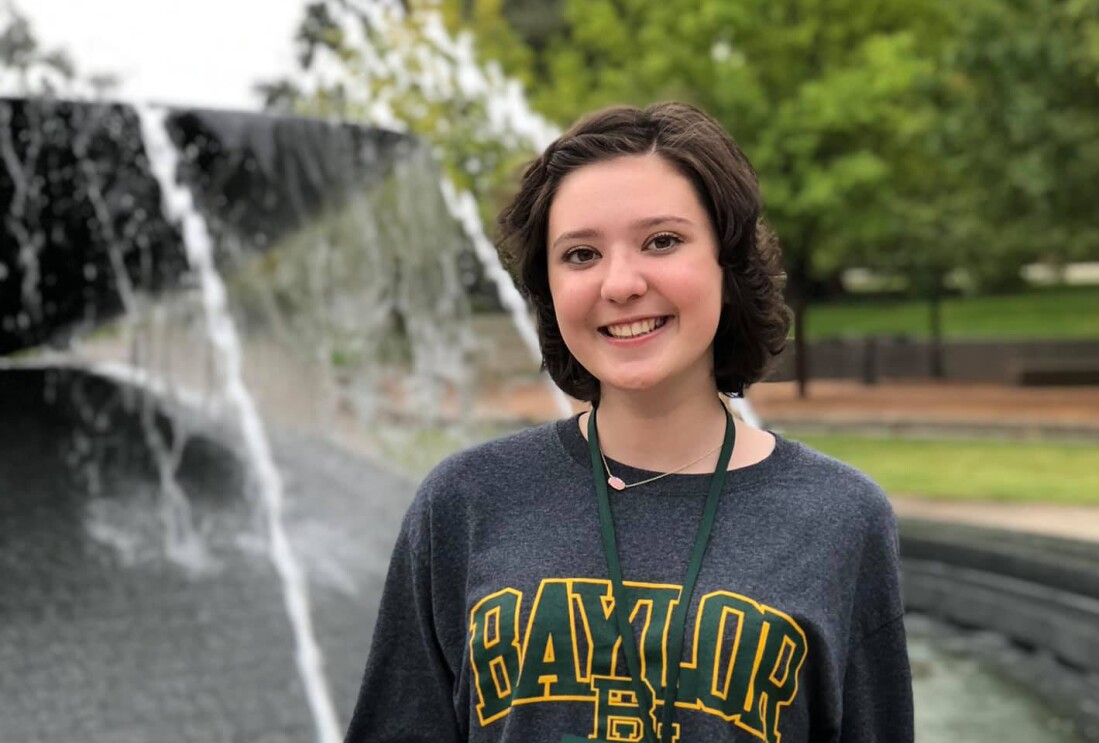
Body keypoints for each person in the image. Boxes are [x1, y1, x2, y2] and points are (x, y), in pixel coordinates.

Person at [344, 102, 913, 743]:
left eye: (662, 241)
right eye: (581, 254)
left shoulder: (841, 516)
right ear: (549, 289)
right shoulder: (464, 501)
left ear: (727, 265)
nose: (619, 283)